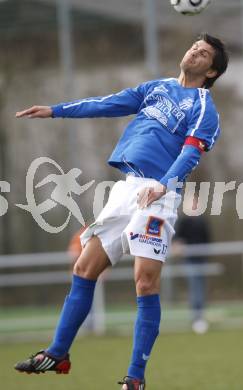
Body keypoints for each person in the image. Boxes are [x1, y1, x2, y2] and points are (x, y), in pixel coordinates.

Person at [14, 33, 228, 390]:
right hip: (126, 189)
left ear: (211, 71)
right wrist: (55, 111)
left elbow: (192, 151)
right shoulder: (156, 87)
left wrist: (165, 183)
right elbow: (106, 103)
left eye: (203, 53)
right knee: (84, 267)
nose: (194, 51)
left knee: (144, 283)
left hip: (159, 194)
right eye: (194, 46)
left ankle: (135, 378)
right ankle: (57, 353)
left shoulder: (204, 105)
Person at [172, 194, 211, 334]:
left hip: (202, 260)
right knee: (195, 289)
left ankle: (200, 317)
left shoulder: (202, 221)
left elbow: (207, 239)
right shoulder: (182, 221)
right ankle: (196, 318)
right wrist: (177, 246)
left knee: (201, 288)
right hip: (190, 260)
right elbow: (176, 239)